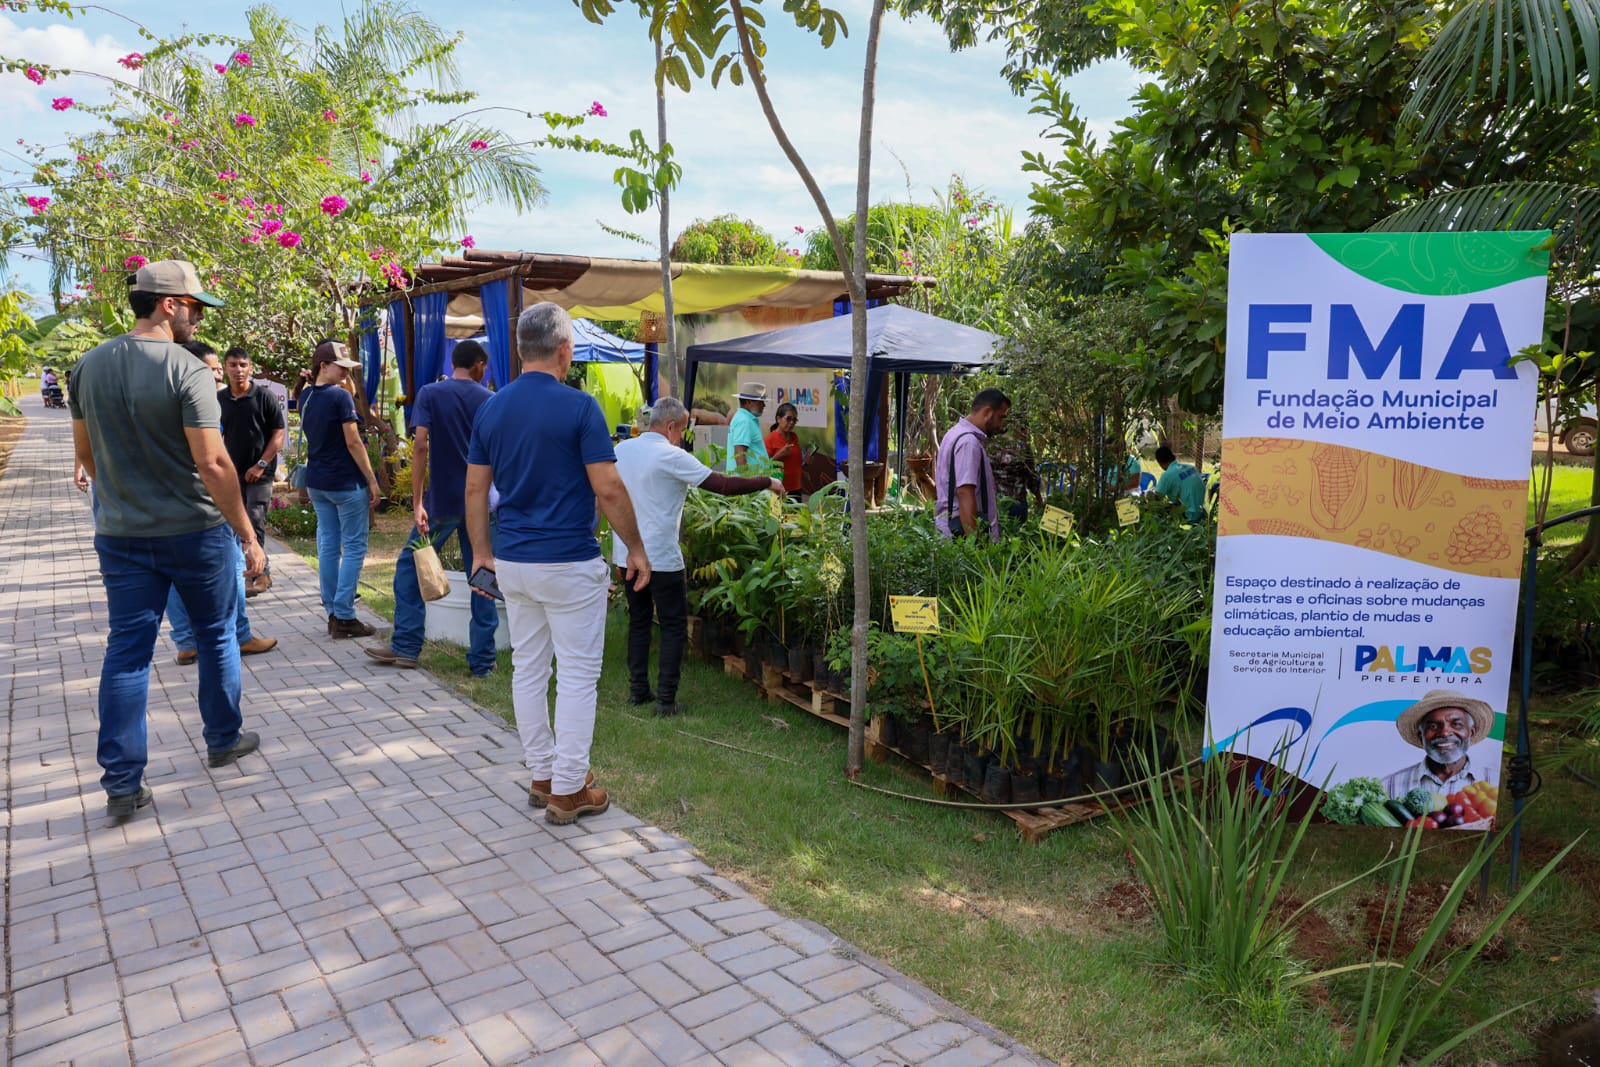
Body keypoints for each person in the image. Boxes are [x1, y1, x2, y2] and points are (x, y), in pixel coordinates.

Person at [69, 259, 264, 821]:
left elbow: (86, 458)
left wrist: (130, 497)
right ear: (169, 304)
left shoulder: (87, 366)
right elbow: (214, 462)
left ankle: (123, 784)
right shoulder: (188, 370)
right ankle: (224, 739)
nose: (198, 319)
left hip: (121, 536)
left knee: (127, 654)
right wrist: (246, 534)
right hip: (194, 534)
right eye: (196, 307)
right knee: (216, 635)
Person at [466, 302, 651, 825]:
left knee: (528, 668)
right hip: (568, 561)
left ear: (521, 349)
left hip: (514, 561)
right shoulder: (580, 407)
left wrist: (482, 553)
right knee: (575, 673)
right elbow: (609, 487)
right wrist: (636, 548)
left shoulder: (492, 408)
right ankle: (569, 789)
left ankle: (544, 774)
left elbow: (475, 487)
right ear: (565, 350)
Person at [616, 398, 784, 717]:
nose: (683, 436)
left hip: (627, 555)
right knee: (673, 626)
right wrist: (768, 482)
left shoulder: (622, 450)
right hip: (661, 558)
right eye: (682, 429)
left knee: (639, 622)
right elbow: (721, 484)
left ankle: (638, 691)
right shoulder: (671, 455)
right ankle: (666, 701)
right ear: (670, 427)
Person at [366, 339, 497, 675]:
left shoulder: (429, 393)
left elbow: (420, 445)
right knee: (482, 578)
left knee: (409, 568)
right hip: (480, 506)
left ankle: (407, 646)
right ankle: (483, 661)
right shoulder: (490, 400)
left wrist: (418, 501)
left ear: (455, 362)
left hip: (441, 504)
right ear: (480, 365)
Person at [166, 341, 277, 664]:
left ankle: (186, 641)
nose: (220, 375)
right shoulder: (201, 405)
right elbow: (213, 464)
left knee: (173, 576)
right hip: (205, 504)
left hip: (166, 506)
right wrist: (248, 534)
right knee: (234, 564)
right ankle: (239, 636)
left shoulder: (161, 400)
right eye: (215, 369)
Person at [299, 340, 380, 638]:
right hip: (346, 482)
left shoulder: (306, 395)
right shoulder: (340, 398)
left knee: (329, 548)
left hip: (318, 483)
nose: (346, 374)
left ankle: (334, 612)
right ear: (324, 366)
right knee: (355, 546)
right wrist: (372, 480)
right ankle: (345, 615)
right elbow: (353, 441)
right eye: (341, 367)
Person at [218, 345, 286, 597]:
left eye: (243, 365)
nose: (238, 370)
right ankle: (242, 572)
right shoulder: (220, 399)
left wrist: (261, 464)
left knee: (254, 520)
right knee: (234, 524)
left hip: (260, 473)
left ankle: (260, 574)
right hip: (230, 474)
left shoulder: (264, 396)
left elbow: (278, 434)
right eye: (233, 365)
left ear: (251, 368)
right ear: (225, 368)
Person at [1382, 691, 1498, 799]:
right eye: (1433, 726)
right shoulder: (1388, 787)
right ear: (1420, 736)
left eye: (1456, 724)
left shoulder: (1495, 781)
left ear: (1471, 733)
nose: (1444, 733)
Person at [935, 388, 1009, 541]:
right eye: (1000, 417)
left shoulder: (954, 433)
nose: (1001, 425)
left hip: (952, 531)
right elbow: (964, 492)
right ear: (987, 412)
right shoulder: (969, 443)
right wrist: (974, 545)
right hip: (961, 538)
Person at [988, 419, 1043, 523]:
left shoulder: (990, 446)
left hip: (995, 501)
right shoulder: (1022, 447)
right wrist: (1039, 498)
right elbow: (1031, 476)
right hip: (1017, 501)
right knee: (1017, 535)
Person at [1154, 443, 1207, 523]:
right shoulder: (1192, 467)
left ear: (1160, 463)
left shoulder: (1167, 475)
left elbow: (1157, 499)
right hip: (1203, 511)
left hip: (1189, 515)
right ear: (1173, 456)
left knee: (1156, 510)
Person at [725, 382, 770, 473]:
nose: (764, 405)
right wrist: (747, 483)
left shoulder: (745, 419)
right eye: (760, 402)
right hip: (747, 484)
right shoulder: (744, 421)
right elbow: (740, 455)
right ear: (748, 402)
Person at [764, 401, 803, 498]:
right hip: (778, 489)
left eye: (794, 420)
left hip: (796, 488)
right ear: (778, 419)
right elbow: (763, 467)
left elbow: (794, 463)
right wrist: (778, 456)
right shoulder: (770, 439)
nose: (791, 423)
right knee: (778, 514)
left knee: (796, 514)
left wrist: (805, 461)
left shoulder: (794, 437)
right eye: (788, 419)